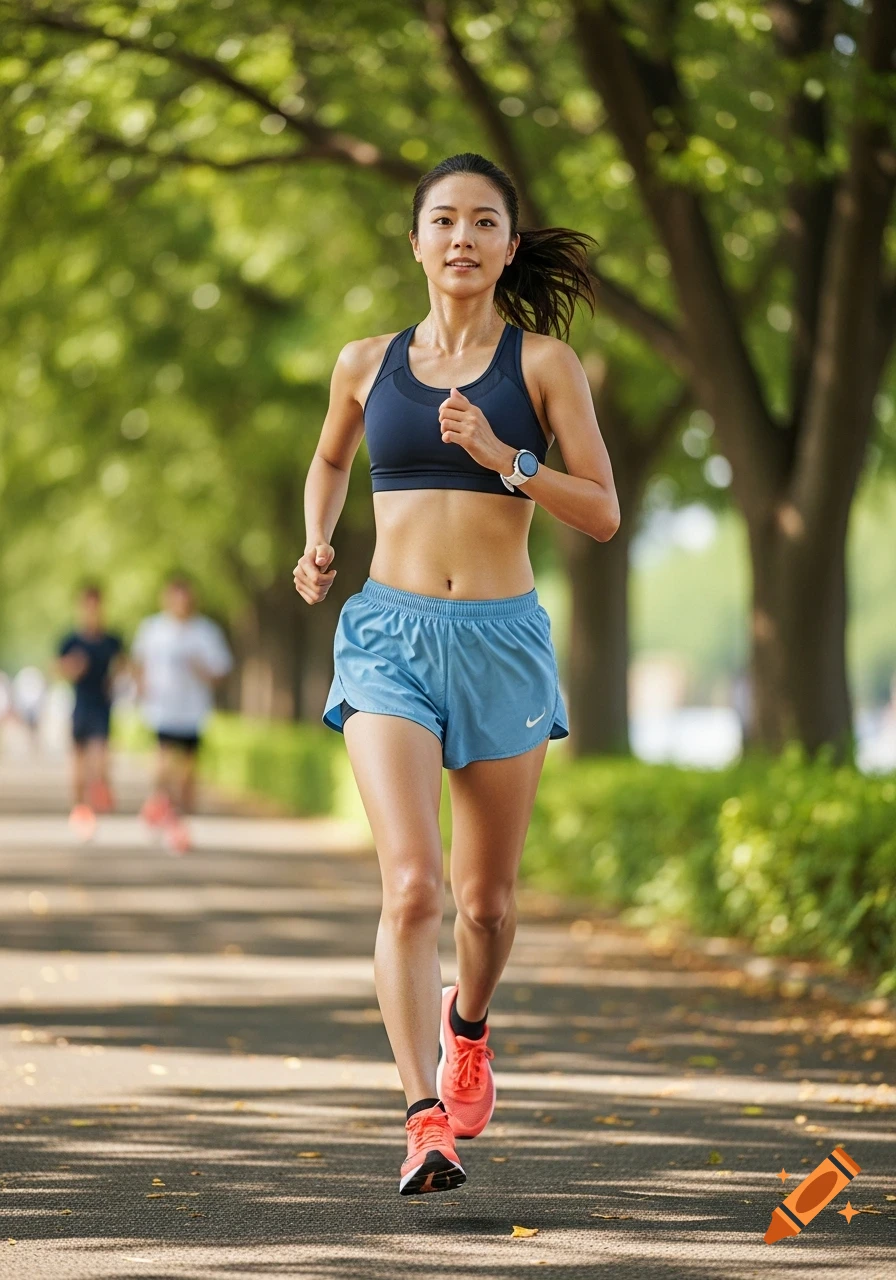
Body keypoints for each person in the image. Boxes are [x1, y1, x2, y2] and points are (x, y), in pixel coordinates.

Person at [293, 152, 619, 1196]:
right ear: (416, 240)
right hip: (387, 632)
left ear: (508, 246)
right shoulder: (364, 361)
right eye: (444, 220)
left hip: (499, 638)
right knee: (411, 885)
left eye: (484, 222)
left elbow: (602, 511)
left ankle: (466, 1028)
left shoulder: (541, 368)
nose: (462, 238)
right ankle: (421, 1114)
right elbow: (333, 456)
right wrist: (315, 540)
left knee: (484, 904)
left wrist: (503, 458)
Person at [131, 574, 233, 854]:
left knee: (187, 775)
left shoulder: (205, 632)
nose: (180, 604)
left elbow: (221, 671)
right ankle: (160, 806)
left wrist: (202, 669)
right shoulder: (152, 629)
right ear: (166, 599)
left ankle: (178, 823)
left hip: (192, 713)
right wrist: (139, 690)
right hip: (161, 710)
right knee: (162, 766)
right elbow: (138, 664)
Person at [56, 584, 124, 838]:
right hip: (80, 705)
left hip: (103, 707)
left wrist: (120, 676)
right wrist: (73, 667)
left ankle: (98, 795)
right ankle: (79, 809)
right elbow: (57, 667)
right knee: (78, 763)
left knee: (100, 759)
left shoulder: (112, 640)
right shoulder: (71, 640)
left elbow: (125, 666)